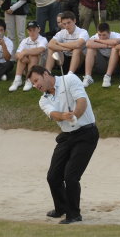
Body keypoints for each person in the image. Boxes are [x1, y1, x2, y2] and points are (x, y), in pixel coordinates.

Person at [27, 65, 99, 224]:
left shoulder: (69, 80)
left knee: (71, 176)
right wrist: (65, 116)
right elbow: (54, 115)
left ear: (45, 74)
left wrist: (75, 115)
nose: (36, 85)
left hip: (86, 134)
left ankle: (74, 215)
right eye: (33, 83)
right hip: (67, 136)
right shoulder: (43, 100)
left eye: (36, 80)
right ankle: (61, 208)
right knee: (53, 176)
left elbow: (82, 101)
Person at [9, 21, 48, 92]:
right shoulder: (25, 40)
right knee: (22, 57)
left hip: (41, 67)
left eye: (34, 30)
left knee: (33, 55)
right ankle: (17, 79)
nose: (32, 32)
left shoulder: (43, 39)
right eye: (30, 30)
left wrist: (25, 52)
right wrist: (22, 56)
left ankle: (30, 80)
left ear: (39, 29)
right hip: (28, 66)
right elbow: (17, 54)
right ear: (27, 31)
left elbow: (40, 50)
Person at [82, 22, 120, 87]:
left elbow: (115, 42)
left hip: (115, 65)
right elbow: (88, 44)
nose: (101, 37)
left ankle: (107, 76)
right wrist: (107, 45)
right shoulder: (96, 36)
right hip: (101, 63)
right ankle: (88, 77)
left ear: (109, 33)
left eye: (104, 35)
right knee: (90, 49)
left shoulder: (117, 35)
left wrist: (99, 41)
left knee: (115, 48)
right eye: (99, 35)